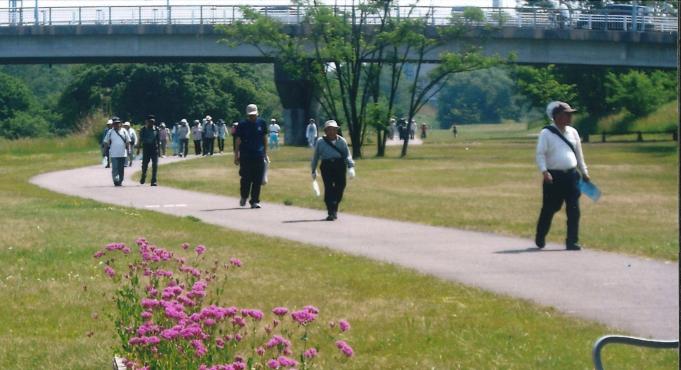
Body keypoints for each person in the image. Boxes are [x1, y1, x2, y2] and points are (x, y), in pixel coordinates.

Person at [535, 101, 591, 251]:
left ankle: (572, 241)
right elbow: (540, 154)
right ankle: (540, 235)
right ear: (557, 116)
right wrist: (544, 171)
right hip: (553, 177)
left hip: (572, 176)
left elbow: (579, 154)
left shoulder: (573, 132)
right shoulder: (546, 133)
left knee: (574, 209)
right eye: (567, 114)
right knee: (550, 208)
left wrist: (584, 172)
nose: (570, 117)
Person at [311, 120, 355, 221]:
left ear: (336, 130)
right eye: (329, 129)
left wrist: (351, 166)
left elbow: (347, 154)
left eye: (334, 129)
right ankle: (331, 212)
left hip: (339, 165)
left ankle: (334, 204)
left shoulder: (341, 141)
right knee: (329, 187)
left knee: (341, 185)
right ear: (325, 131)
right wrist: (313, 170)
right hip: (326, 166)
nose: (331, 132)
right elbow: (316, 156)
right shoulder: (320, 142)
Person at [234, 104, 268, 209]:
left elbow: (264, 139)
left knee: (257, 180)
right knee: (246, 178)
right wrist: (236, 155)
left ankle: (254, 201)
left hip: (258, 155)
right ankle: (244, 196)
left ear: (257, 113)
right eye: (250, 115)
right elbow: (238, 140)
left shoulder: (262, 123)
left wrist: (265, 154)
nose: (252, 117)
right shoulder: (242, 124)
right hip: (246, 155)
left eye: (253, 115)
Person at [102, 117, 130, 187]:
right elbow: (106, 142)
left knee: (121, 169)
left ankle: (120, 181)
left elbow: (127, 141)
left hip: (122, 154)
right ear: (113, 124)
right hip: (114, 154)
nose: (116, 125)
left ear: (120, 124)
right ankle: (115, 180)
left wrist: (128, 150)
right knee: (115, 168)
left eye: (118, 123)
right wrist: (104, 151)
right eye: (115, 124)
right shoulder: (110, 132)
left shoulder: (124, 131)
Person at [137, 114, 161, 186]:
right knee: (145, 164)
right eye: (150, 121)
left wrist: (159, 151)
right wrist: (138, 149)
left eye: (153, 122)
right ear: (146, 122)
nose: (151, 123)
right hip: (146, 148)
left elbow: (158, 140)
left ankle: (153, 180)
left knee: (155, 165)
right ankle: (143, 175)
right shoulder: (143, 130)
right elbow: (140, 140)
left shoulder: (156, 129)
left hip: (154, 148)